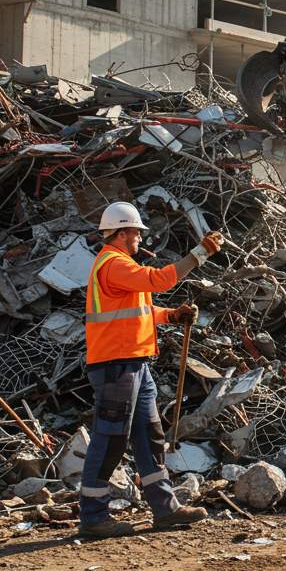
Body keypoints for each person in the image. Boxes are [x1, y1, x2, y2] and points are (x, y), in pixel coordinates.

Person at [78, 201, 224, 538]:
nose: (141, 238)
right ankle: (93, 517)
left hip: (135, 365)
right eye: (137, 233)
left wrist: (171, 315)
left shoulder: (121, 267)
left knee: (150, 435)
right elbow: (159, 281)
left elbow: (143, 307)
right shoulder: (113, 264)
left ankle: (165, 509)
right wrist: (199, 254)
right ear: (122, 232)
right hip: (116, 365)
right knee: (111, 438)